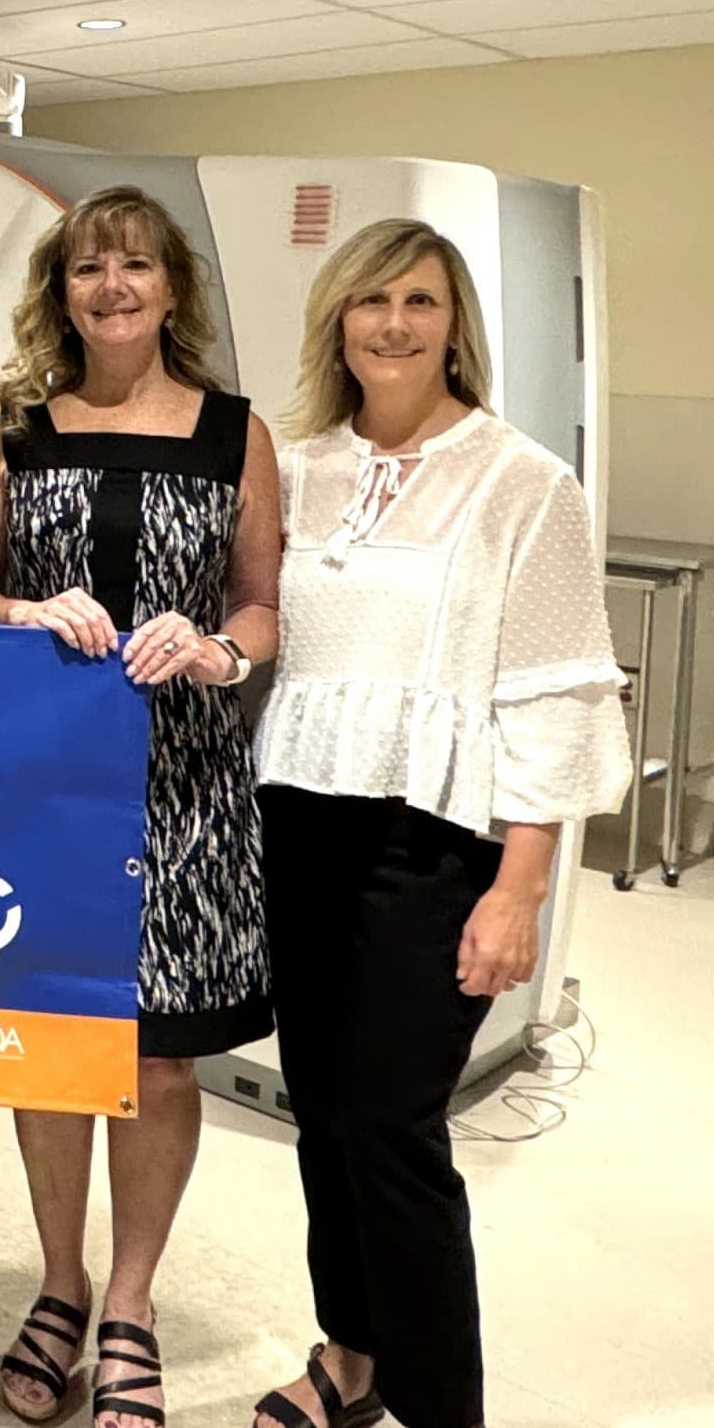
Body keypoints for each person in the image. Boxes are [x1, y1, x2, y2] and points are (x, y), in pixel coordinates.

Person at [249, 220, 627, 1428]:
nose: (393, 324)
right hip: (299, 820)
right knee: (320, 1107)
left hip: (437, 840)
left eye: (419, 300)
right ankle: (349, 1354)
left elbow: (557, 696)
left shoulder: (523, 484)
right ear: (338, 321)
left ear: (454, 321)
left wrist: (518, 889)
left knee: (392, 1124)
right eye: (370, 301)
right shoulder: (299, 467)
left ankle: (438, 1403)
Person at [0, 185, 282, 1428]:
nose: (112, 286)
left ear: (171, 289)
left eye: (135, 265)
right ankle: (57, 1283)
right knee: (47, 1042)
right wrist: (29, 611)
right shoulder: (6, 425)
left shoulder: (235, 433)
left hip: (185, 782)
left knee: (155, 1056)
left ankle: (130, 1300)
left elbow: (262, 608)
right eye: (88, 267)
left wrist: (216, 649)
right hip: (40, 785)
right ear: (61, 289)